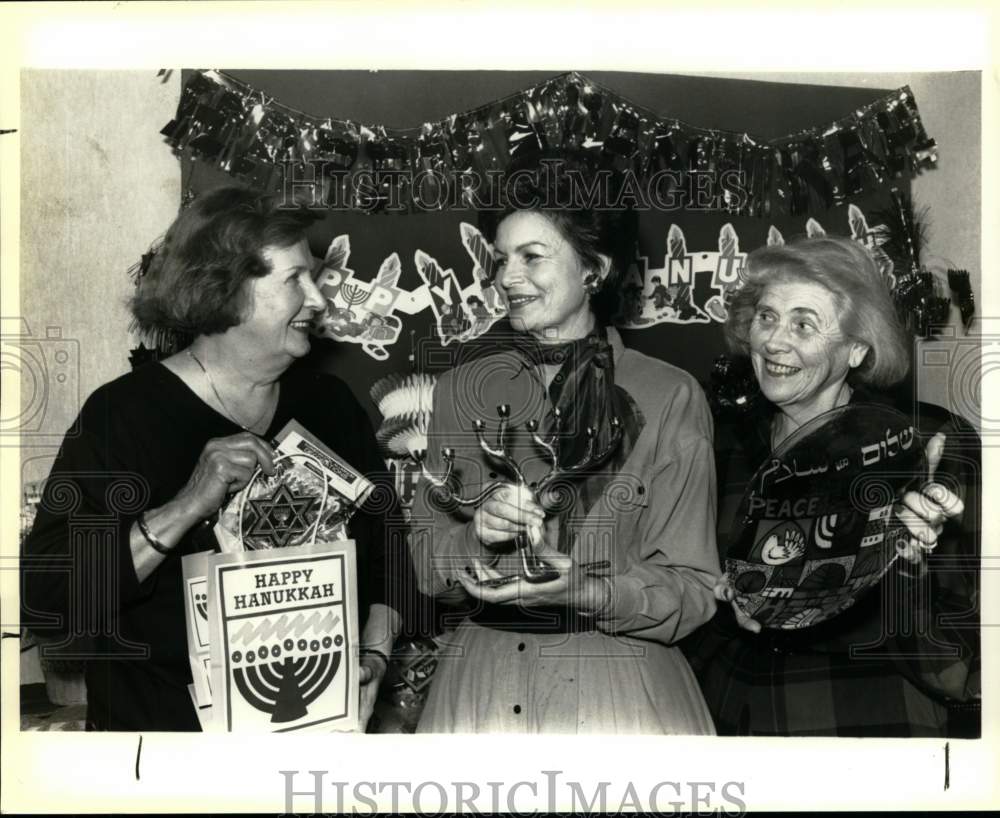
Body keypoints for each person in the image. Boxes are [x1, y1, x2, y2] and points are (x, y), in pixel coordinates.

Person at [21, 186, 407, 731]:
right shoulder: (123, 415)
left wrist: (375, 656)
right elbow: (48, 597)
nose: (319, 301)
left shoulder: (331, 406)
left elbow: (388, 550)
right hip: (164, 750)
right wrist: (183, 507)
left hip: (310, 737)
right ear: (225, 290)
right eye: (294, 279)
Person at [408, 158, 719, 733]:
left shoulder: (670, 393)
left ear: (595, 270)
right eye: (501, 259)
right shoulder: (460, 388)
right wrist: (474, 532)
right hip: (480, 696)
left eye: (532, 256)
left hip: (621, 695)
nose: (506, 277)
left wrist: (592, 592)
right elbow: (426, 565)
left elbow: (696, 589)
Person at [683, 235, 980, 736]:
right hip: (732, 720)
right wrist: (718, 600)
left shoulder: (925, 444)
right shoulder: (720, 443)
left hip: (866, 725)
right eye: (767, 317)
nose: (775, 341)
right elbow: (689, 602)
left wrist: (908, 567)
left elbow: (956, 668)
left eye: (804, 323)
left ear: (858, 348)